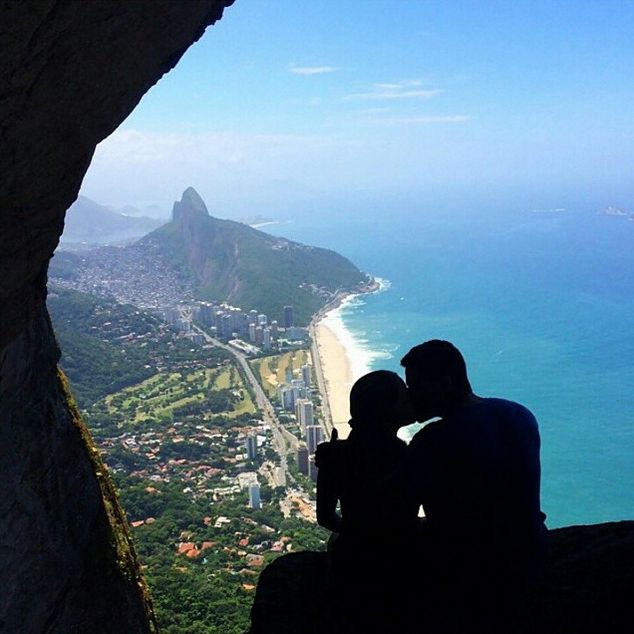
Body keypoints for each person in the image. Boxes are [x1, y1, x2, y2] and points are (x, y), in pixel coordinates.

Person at [402, 339, 547, 630]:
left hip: (468, 568)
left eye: (416, 386)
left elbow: (402, 511)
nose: (411, 394)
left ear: (445, 382)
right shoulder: (518, 413)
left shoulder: (431, 440)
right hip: (531, 550)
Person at [316, 370, 420, 632]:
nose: (410, 397)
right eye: (403, 395)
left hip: (352, 559)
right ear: (388, 410)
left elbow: (325, 518)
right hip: (401, 563)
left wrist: (356, 530)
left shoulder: (336, 455)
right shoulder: (409, 456)